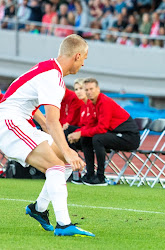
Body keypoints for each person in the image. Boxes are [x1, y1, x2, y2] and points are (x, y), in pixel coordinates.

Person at [0, 34, 95, 237]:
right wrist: (67, 150)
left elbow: (27, 102)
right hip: (8, 123)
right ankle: (64, 224)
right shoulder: (53, 78)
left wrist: (48, 132)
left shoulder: (47, 69)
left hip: (15, 120)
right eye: (85, 59)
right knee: (57, 164)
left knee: (65, 163)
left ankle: (39, 209)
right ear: (77, 56)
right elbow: (53, 120)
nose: (84, 64)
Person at [67, 78, 140, 186]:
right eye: (87, 90)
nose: (89, 92)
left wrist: (80, 133)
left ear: (98, 89)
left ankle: (100, 177)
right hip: (115, 134)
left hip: (129, 137)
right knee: (86, 138)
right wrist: (77, 133)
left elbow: (102, 128)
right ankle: (90, 174)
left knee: (98, 138)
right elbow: (89, 125)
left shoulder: (104, 102)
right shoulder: (92, 104)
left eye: (91, 89)